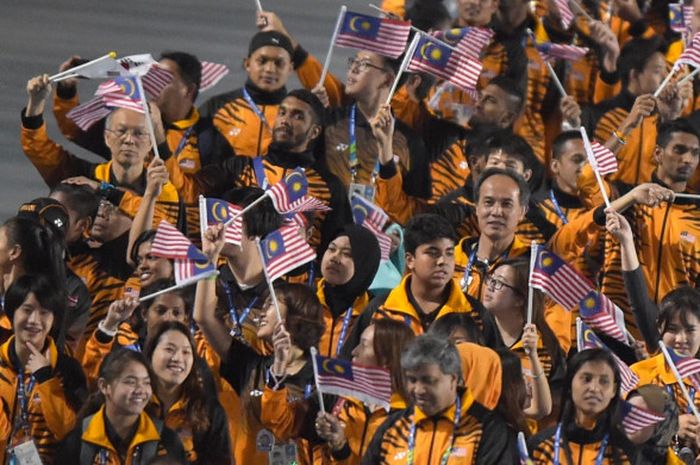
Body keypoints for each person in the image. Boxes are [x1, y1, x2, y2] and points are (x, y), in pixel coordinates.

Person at [257, 11, 432, 203]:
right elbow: (285, 161)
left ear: (387, 80)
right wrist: (308, 118)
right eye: (353, 61)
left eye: (364, 64)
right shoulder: (327, 122)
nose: (353, 68)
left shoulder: (410, 142)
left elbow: (416, 208)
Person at [195, 223, 325, 465]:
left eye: (270, 305)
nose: (261, 313)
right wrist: (210, 259)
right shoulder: (251, 366)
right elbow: (203, 316)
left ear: (295, 316)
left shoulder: (322, 377)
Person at [21, 74, 182, 226]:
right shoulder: (82, 178)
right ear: (107, 137)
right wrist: (36, 103)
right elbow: (38, 148)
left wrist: (104, 190)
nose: (129, 140)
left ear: (149, 143)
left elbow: (162, 225)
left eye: (139, 133)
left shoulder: (162, 188)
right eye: (121, 131)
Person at [361, 334, 517, 464]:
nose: (419, 390)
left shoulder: (487, 428)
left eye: (428, 380)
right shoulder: (393, 427)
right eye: (412, 380)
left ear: (454, 379)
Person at [0, 274, 87, 465]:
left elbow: (69, 432)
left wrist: (46, 380)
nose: (34, 320)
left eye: (44, 312)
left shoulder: (67, 370)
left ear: (54, 320)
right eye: (27, 309)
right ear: (11, 313)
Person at [584, 36, 688, 186]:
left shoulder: (664, 116)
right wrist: (627, 125)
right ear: (634, 75)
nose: (666, 77)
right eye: (658, 71)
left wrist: (671, 118)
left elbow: (677, 176)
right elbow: (585, 173)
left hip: (651, 207)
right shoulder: (597, 114)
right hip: (609, 205)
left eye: (667, 70)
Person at [56, 349, 186, 464]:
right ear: (104, 386)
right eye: (131, 382)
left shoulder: (167, 440)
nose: (141, 390)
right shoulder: (78, 441)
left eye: (146, 382)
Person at [315, 319, 415, 465]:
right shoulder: (341, 401)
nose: (353, 351)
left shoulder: (411, 419)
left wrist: (342, 449)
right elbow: (280, 424)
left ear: (386, 358)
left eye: (364, 345)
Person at [144, 321, 231, 465]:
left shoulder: (208, 411)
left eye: (186, 352)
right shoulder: (130, 404)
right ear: (151, 352)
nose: (178, 359)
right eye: (169, 349)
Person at [529, 348, 636, 464]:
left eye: (604, 381)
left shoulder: (625, 452)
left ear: (614, 390)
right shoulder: (540, 445)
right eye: (586, 379)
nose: (594, 388)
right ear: (570, 382)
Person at [200, 31, 295, 157]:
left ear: (290, 68)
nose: (270, 69)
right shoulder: (217, 107)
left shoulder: (299, 114)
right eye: (262, 61)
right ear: (248, 64)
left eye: (279, 63)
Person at [317, 225, 381, 357]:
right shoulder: (303, 300)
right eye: (331, 249)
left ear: (364, 264)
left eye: (347, 254)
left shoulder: (375, 313)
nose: (334, 257)